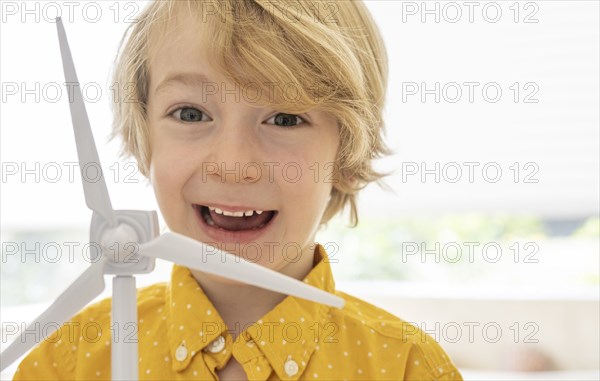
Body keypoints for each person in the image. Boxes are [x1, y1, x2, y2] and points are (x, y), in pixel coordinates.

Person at [14, 1, 463, 380]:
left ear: (346, 157)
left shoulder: (406, 365)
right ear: (143, 141)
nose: (233, 166)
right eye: (190, 114)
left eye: (285, 119)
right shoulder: (66, 362)